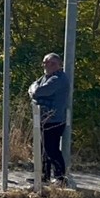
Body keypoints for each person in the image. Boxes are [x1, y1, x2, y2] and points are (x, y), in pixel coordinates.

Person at [29, 52, 70, 187]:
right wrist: (35, 91)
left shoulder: (59, 79)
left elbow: (39, 92)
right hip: (43, 119)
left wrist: (36, 94)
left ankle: (60, 178)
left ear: (59, 65)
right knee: (43, 149)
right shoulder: (45, 77)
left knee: (52, 149)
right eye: (46, 62)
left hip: (54, 120)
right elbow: (33, 87)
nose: (48, 65)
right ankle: (43, 177)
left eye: (52, 63)